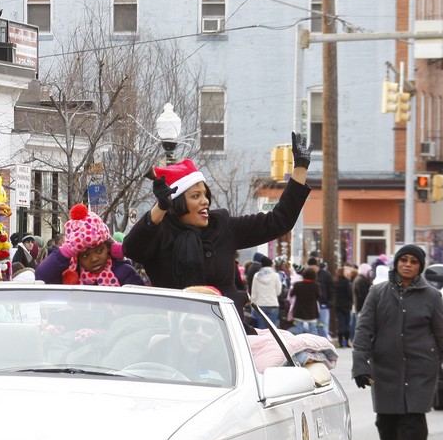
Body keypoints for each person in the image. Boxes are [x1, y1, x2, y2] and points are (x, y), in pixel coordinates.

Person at [123, 132, 311, 313]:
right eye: (196, 196)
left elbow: (278, 222)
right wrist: (160, 207)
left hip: (224, 329)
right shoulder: (159, 232)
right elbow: (131, 249)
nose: (205, 201)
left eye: (205, 194)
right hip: (173, 329)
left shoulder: (222, 225)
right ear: (177, 203)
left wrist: (300, 167)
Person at [352, 244, 443, 440]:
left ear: (420, 267)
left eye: (414, 261)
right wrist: (360, 365)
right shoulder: (377, 293)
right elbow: (364, 331)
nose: (408, 264)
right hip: (386, 369)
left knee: (413, 421)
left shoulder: (432, 297)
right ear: (396, 263)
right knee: (386, 422)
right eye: (404, 260)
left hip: (420, 369)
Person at [35, 203, 143, 286]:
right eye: (85, 255)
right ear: (76, 258)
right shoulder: (70, 276)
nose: (94, 259)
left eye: (99, 251)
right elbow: (41, 276)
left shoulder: (124, 272)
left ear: (109, 249)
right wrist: (66, 251)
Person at [249, 254, 282, 328]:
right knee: (273, 330)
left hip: (260, 305)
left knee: (262, 331)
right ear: (271, 264)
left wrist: (252, 306)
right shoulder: (275, 275)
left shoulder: (256, 276)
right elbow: (279, 292)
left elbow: (254, 293)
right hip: (273, 304)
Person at [288, 266, 321, 335]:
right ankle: (314, 344)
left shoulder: (297, 285)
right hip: (312, 311)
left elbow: (291, 294)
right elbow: (318, 297)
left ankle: (298, 343)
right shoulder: (316, 286)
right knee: (313, 330)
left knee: (298, 330)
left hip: (299, 311)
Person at [332, 265, 354, 348]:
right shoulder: (346, 282)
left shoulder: (335, 281)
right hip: (346, 304)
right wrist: (351, 301)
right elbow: (349, 293)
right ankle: (347, 341)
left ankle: (341, 342)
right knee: (346, 323)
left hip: (338, 304)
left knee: (340, 322)